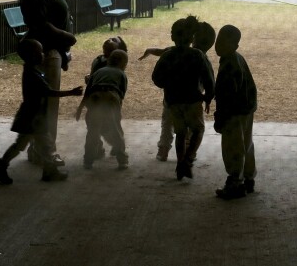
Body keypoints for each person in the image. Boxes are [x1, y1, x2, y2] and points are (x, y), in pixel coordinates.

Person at [19, 0, 84, 166]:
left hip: (50, 50)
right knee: (48, 104)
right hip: (46, 52)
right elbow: (41, 24)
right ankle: (47, 152)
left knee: (43, 104)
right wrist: (66, 36)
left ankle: (37, 149)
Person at [0, 39, 83, 185]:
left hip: (33, 116)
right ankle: (2, 166)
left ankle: (47, 171)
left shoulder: (32, 71)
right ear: (33, 56)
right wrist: (70, 92)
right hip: (34, 118)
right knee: (30, 145)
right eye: (40, 51)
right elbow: (49, 92)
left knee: (37, 144)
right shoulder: (33, 75)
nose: (43, 54)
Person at [140, 17, 214, 161]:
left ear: (173, 36)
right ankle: (189, 153)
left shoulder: (170, 52)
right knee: (195, 128)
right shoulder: (200, 56)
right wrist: (208, 97)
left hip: (172, 99)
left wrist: (168, 84)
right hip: (193, 100)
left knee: (169, 124)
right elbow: (209, 79)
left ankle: (164, 150)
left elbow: (157, 76)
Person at [212, 25, 257, 200]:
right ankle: (248, 179)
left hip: (234, 112)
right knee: (246, 144)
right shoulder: (237, 58)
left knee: (233, 147)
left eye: (222, 42)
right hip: (246, 108)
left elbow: (227, 95)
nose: (218, 45)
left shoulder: (229, 64)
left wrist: (221, 117)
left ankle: (234, 183)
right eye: (218, 40)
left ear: (235, 46)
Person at [76, 49, 130, 170]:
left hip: (95, 98)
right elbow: (120, 95)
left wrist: (80, 108)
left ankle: (88, 161)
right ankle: (122, 160)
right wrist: (117, 115)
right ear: (123, 63)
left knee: (93, 132)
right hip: (110, 98)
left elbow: (88, 91)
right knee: (116, 130)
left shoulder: (98, 72)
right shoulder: (121, 74)